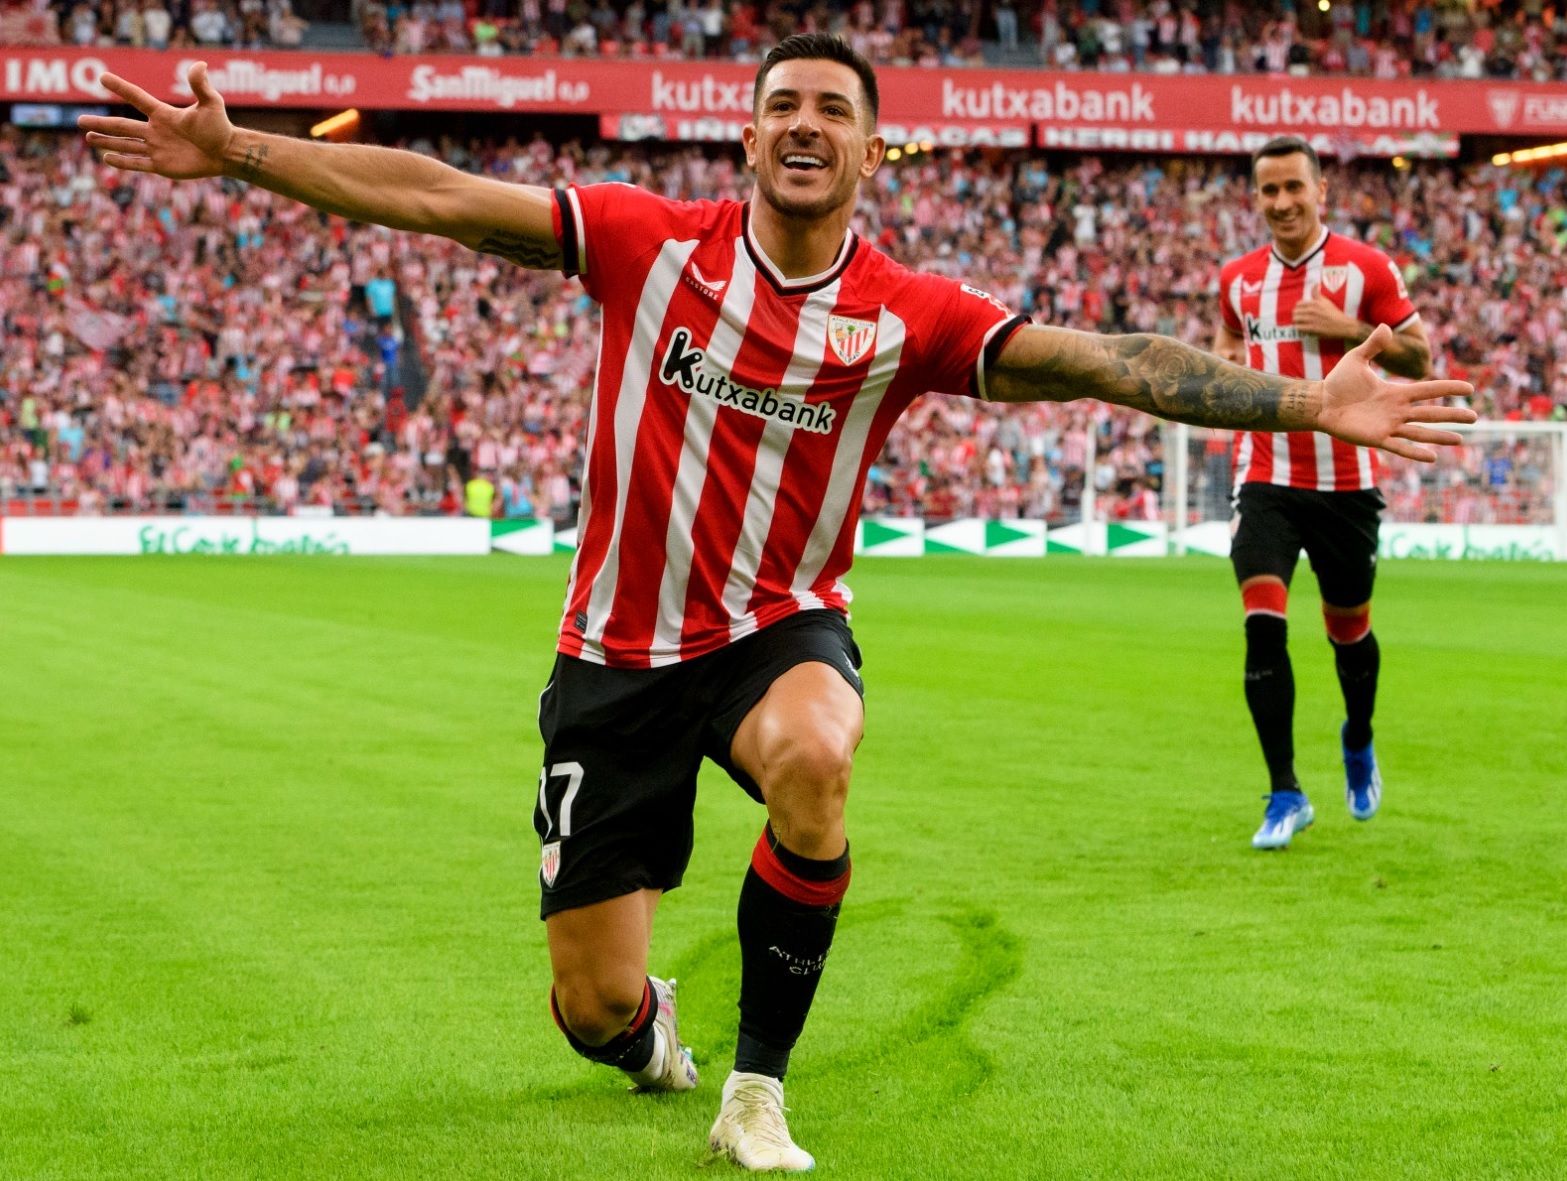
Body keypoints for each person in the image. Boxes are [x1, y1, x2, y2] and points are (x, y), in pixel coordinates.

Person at [81, 40, 1474, 1172]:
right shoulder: (648, 245)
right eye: (779, 108)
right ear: (745, 141)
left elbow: (1103, 360)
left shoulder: (904, 315)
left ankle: (756, 1089)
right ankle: (654, 1037)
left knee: (819, 753)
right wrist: (244, 151)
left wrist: (1302, 398)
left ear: (874, 153)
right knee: (591, 1010)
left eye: (831, 111)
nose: (802, 125)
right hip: (612, 654)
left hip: (774, 632)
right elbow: (437, 193)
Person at [1212, 135, 1437, 851]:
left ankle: (1358, 735)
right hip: (1266, 476)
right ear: (1255, 198)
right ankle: (1284, 791)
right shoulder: (1237, 279)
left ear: (1320, 192)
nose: (1280, 203)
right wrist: (1223, 370)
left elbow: (1419, 352)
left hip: (1346, 484)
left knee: (1348, 631)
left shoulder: (1364, 268)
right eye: (1267, 191)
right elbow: (1224, 345)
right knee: (1262, 621)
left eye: (1292, 189)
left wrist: (1348, 330)